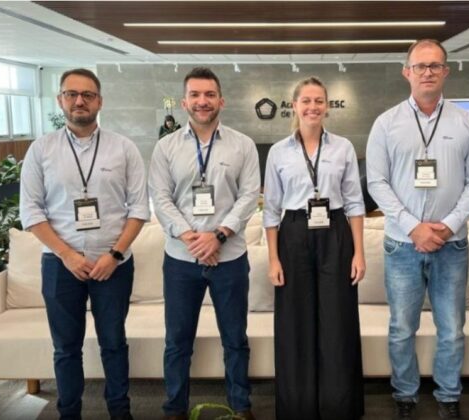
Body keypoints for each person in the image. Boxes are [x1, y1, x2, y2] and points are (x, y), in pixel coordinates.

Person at [19, 68, 149, 420]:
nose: (80, 101)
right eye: (72, 94)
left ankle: (120, 412)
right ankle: (69, 413)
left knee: (114, 343)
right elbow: (30, 211)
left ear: (99, 101)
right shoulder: (41, 149)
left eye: (88, 95)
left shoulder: (123, 148)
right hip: (60, 265)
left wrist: (115, 254)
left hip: (114, 265)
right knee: (65, 348)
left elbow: (139, 208)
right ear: (60, 100)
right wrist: (67, 255)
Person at [366, 39, 469, 420]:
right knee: (402, 327)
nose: (427, 72)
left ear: (446, 71)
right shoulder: (386, 123)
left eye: (435, 66)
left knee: (452, 327)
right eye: (420, 66)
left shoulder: (467, 123)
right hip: (403, 245)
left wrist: (448, 226)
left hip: (453, 244)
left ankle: (448, 395)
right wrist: (414, 227)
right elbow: (377, 182)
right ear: (407, 72)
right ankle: (405, 395)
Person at [149, 67, 260, 420]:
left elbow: (249, 196)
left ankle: (240, 406)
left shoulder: (243, 145)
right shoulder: (165, 147)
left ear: (221, 101)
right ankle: (174, 409)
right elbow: (161, 198)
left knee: (235, 340)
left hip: (230, 259)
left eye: (209, 94)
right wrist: (191, 238)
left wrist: (219, 236)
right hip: (181, 260)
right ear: (184, 102)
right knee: (177, 341)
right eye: (195, 95)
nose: (202, 101)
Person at [264, 77, 366, 420]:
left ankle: (339, 407)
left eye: (319, 101)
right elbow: (271, 210)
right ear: (294, 106)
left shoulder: (343, 147)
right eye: (306, 101)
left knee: (338, 322)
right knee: (295, 323)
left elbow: (354, 203)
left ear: (327, 106)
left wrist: (359, 252)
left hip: (335, 233)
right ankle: (298, 408)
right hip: (293, 233)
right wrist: (273, 258)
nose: (312, 107)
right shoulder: (278, 152)